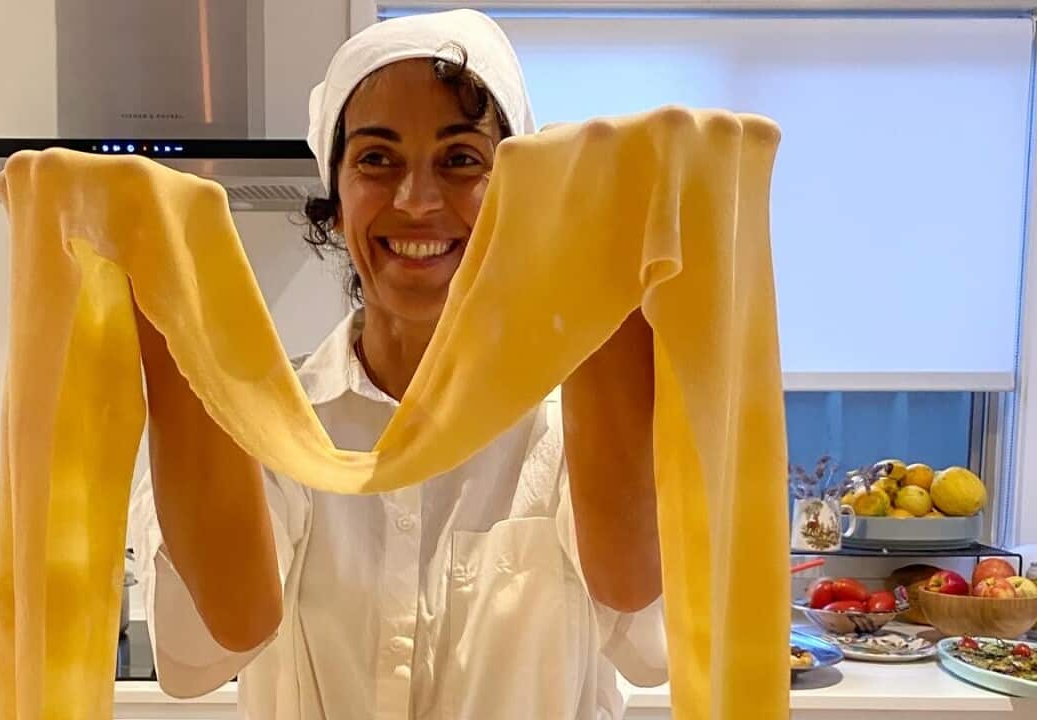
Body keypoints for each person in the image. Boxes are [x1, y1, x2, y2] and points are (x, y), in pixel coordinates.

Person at [128, 9, 666, 719]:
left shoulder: (572, 422)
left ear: (517, 192)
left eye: (461, 159)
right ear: (336, 193)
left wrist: (614, 238)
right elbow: (218, 636)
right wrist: (159, 286)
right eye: (377, 159)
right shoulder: (258, 421)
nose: (417, 202)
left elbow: (637, 605)